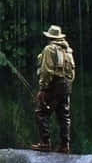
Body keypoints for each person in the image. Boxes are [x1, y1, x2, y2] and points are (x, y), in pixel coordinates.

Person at [31, 25, 75, 154]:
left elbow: (46, 71)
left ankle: (45, 143)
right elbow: (72, 72)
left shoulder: (49, 49)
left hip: (55, 84)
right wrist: (67, 85)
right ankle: (65, 145)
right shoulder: (68, 51)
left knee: (41, 112)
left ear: (50, 37)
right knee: (64, 115)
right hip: (66, 85)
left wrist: (43, 89)